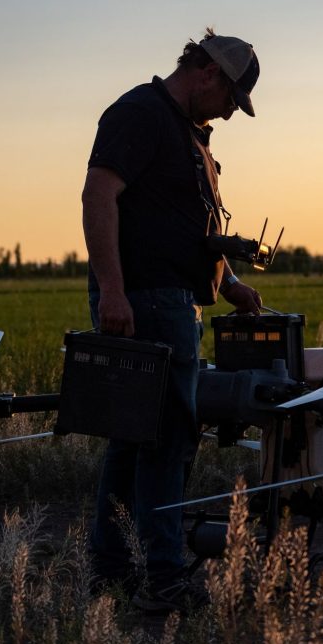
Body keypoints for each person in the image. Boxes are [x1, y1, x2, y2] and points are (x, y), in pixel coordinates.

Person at [82, 29, 262, 612]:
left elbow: (190, 227)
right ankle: (163, 578)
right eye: (232, 99)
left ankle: (111, 571)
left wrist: (229, 283)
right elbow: (97, 196)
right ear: (208, 72)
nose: (231, 113)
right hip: (146, 301)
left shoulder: (192, 138)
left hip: (174, 299)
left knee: (135, 443)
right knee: (167, 440)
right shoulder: (140, 113)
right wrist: (113, 291)